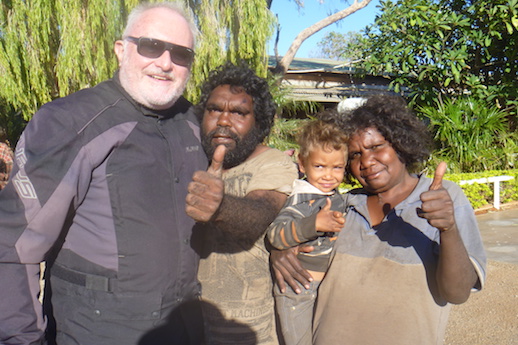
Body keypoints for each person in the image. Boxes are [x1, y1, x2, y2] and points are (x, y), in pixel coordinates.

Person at [0, 2, 208, 344]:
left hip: (184, 326)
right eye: (151, 46)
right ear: (121, 49)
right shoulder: (70, 122)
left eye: (181, 54)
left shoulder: (193, 123)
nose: (166, 63)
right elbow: (12, 243)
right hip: (98, 330)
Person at [271, 95, 487, 345]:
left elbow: (457, 293)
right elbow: (287, 232)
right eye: (354, 155)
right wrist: (280, 250)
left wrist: (448, 228)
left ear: (400, 143)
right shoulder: (340, 204)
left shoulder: (443, 198)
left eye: (376, 147)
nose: (366, 162)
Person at [185, 62, 299, 345]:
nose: (224, 121)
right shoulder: (191, 158)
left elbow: (260, 213)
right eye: (214, 110)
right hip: (185, 324)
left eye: (238, 112)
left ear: (259, 122)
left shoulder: (273, 163)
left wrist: (220, 206)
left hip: (245, 332)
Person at [266, 114, 347, 345]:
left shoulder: (333, 196)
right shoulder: (303, 199)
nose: (329, 175)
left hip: (323, 287)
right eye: (319, 166)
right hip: (296, 288)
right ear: (302, 164)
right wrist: (314, 224)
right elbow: (275, 235)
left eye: (337, 167)